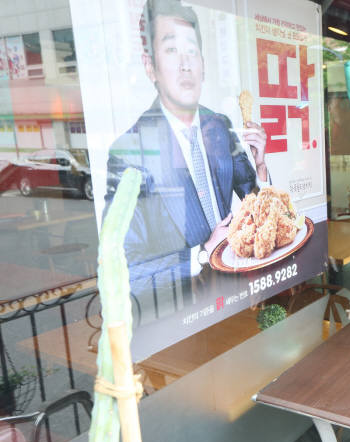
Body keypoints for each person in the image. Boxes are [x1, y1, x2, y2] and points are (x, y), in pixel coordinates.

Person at [104, 0, 270, 294]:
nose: (185, 63)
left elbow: (258, 208)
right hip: (179, 308)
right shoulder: (130, 151)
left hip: (233, 291)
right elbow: (125, 269)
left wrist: (260, 166)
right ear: (150, 67)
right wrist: (203, 254)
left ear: (203, 65)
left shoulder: (219, 125)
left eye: (192, 51)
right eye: (171, 50)